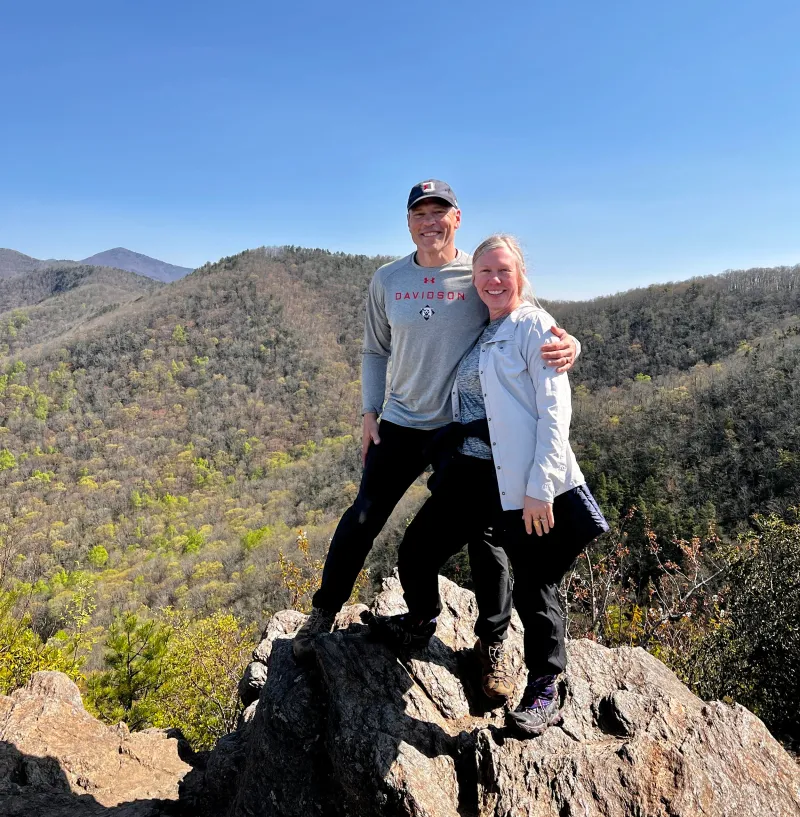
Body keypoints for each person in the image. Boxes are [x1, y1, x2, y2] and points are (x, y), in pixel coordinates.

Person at [292, 183, 582, 669]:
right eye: (420, 213)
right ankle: (324, 611)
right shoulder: (386, 280)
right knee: (363, 516)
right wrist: (369, 410)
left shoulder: (475, 274)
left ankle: (492, 643)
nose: (430, 222)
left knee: (485, 536)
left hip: (461, 430)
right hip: (401, 422)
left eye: (439, 212)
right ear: (408, 222)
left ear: (457, 218)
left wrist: (571, 344)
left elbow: (523, 315)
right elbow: (373, 349)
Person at [368, 234, 608, 738]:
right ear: (473, 281)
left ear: (521, 276)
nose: (494, 280)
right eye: (485, 273)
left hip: (521, 479)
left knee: (535, 584)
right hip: (471, 474)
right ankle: (421, 620)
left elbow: (554, 411)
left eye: (503, 271)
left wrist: (540, 487)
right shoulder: (482, 327)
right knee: (416, 552)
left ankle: (545, 687)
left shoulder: (533, 325)